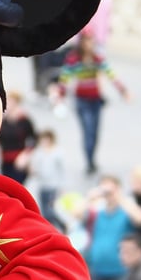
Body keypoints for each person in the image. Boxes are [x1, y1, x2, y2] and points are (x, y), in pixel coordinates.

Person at [55, 31, 130, 175]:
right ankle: (89, 161)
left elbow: (111, 75)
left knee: (95, 132)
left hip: (95, 100)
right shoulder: (74, 59)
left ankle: (92, 158)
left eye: (92, 41)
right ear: (82, 43)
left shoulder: (97, 59)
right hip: (82, 100)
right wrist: (60, 95)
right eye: (87, 41)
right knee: (88, 130)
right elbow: (65, 78)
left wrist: (123, 91)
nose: (90, 44)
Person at [85, 175, 134, 280]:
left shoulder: (125, 211)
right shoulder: (97, 212)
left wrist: (118, 197)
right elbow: (76, 214)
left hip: (120, 271)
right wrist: (91, 197)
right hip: (98, 270)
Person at [0, 89, 36, 184]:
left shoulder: (24, 120)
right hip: (5, 160)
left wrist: (26, 155)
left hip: (18, 161)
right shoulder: (4, 121)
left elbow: (33, 139)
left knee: (16, 186)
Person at [26, 129, 66, 229]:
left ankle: (60, 224)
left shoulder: (57, 152)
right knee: (44, 210)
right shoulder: (38, 152)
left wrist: (62, 185)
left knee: (50, 210)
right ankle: (50, 228)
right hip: (42, 185)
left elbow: (62, 170)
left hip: (53, 185)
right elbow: (34, 166)